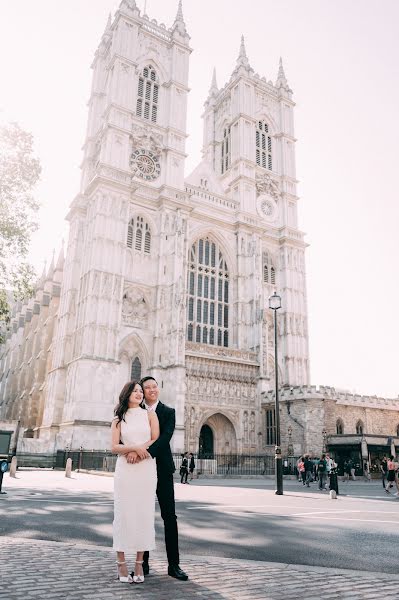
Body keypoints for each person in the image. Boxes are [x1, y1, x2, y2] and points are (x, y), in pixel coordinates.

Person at [126, 376, 188, 581]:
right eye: (147, 388)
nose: (152, 390)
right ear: (142, 391)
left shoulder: (168, 412)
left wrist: (143, 452)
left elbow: (164, 438)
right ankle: (142, 563)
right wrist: (131, 451)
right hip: (141, 470)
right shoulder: (136, 411)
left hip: (161, 468)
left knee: (169, 517)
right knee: (142, 515)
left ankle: (174, 565)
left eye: (155, 386)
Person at [111, 380, 159, 584]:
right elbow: (114, 447)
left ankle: (139, 563)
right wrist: (132, 449)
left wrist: (138, 451)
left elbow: (155, 439)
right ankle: (121, 563)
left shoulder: (150, 414)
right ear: (127, 394)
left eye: (141, 391)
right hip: (125, 469)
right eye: (136, 391)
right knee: (123, 513)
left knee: (144, 514)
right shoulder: (118, 419)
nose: (140, 394)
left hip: (145, 468)